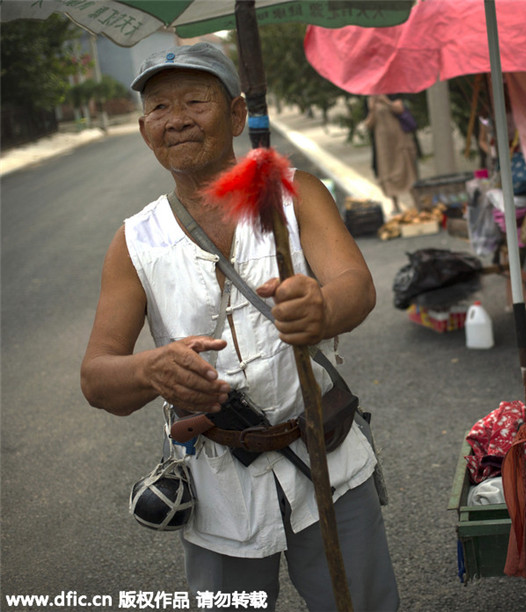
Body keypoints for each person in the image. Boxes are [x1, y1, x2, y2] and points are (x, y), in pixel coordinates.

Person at [80, 42, 399, 611]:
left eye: (196, 101)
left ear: (235, 113)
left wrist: (320, 309)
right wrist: (151, 369)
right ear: (143, 128)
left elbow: (356, 285)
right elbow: (98, 377)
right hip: (216, 488)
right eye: (158, 108)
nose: (176, 119)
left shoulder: (296, 193)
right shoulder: (135, 241)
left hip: (327, 464)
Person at [364, 94, 418, 214]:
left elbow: (400, 110)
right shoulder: (370, 100)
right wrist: (372, 109)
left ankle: (416, 202)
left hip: (399, 141)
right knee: (388, 173)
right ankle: (395, 204)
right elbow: (368, 125)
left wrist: (386, 101)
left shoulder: (393, 95)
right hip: (383, 145)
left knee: (407, 170)